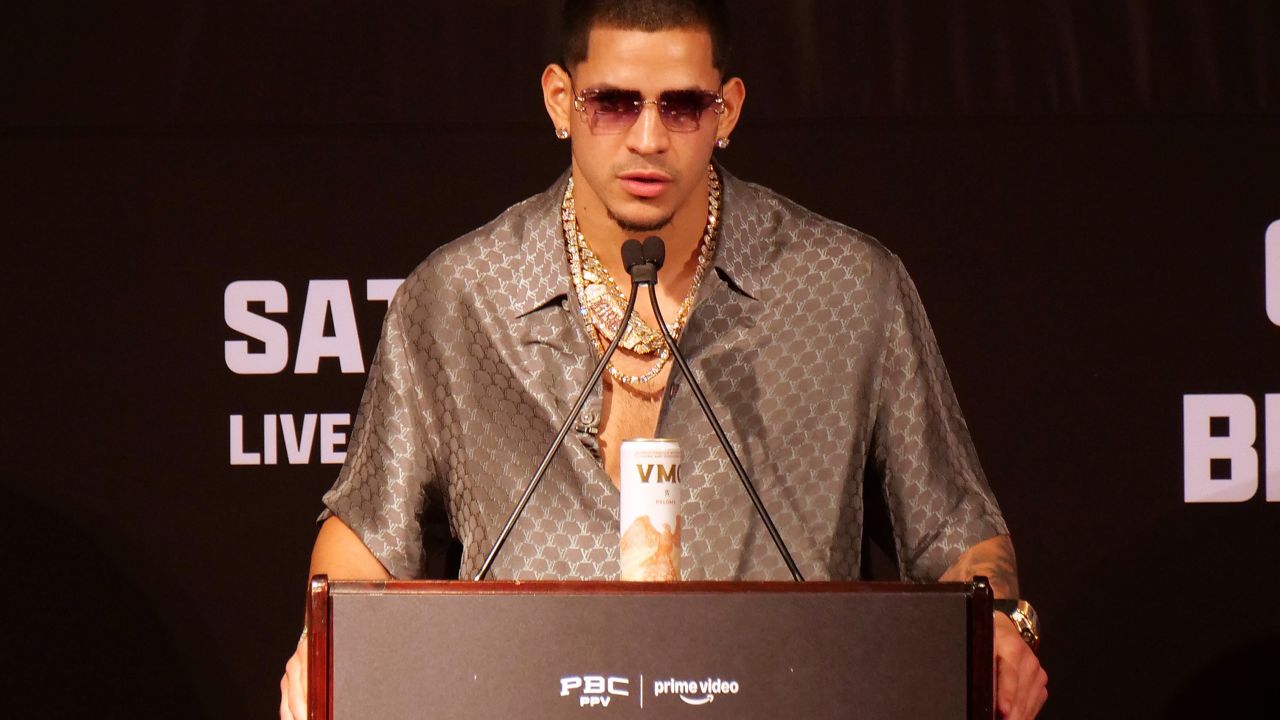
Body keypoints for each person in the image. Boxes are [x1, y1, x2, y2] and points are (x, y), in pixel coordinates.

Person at [279, 1, 1048, 718]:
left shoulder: (848, 289)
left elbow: (956, 534)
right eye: (613, 103)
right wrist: (327, 643)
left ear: (729, 110)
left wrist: (1004, 623)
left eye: (682, 106)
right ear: (559, 100)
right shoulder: (454, 300)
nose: (647, 139)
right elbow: (371, 538)